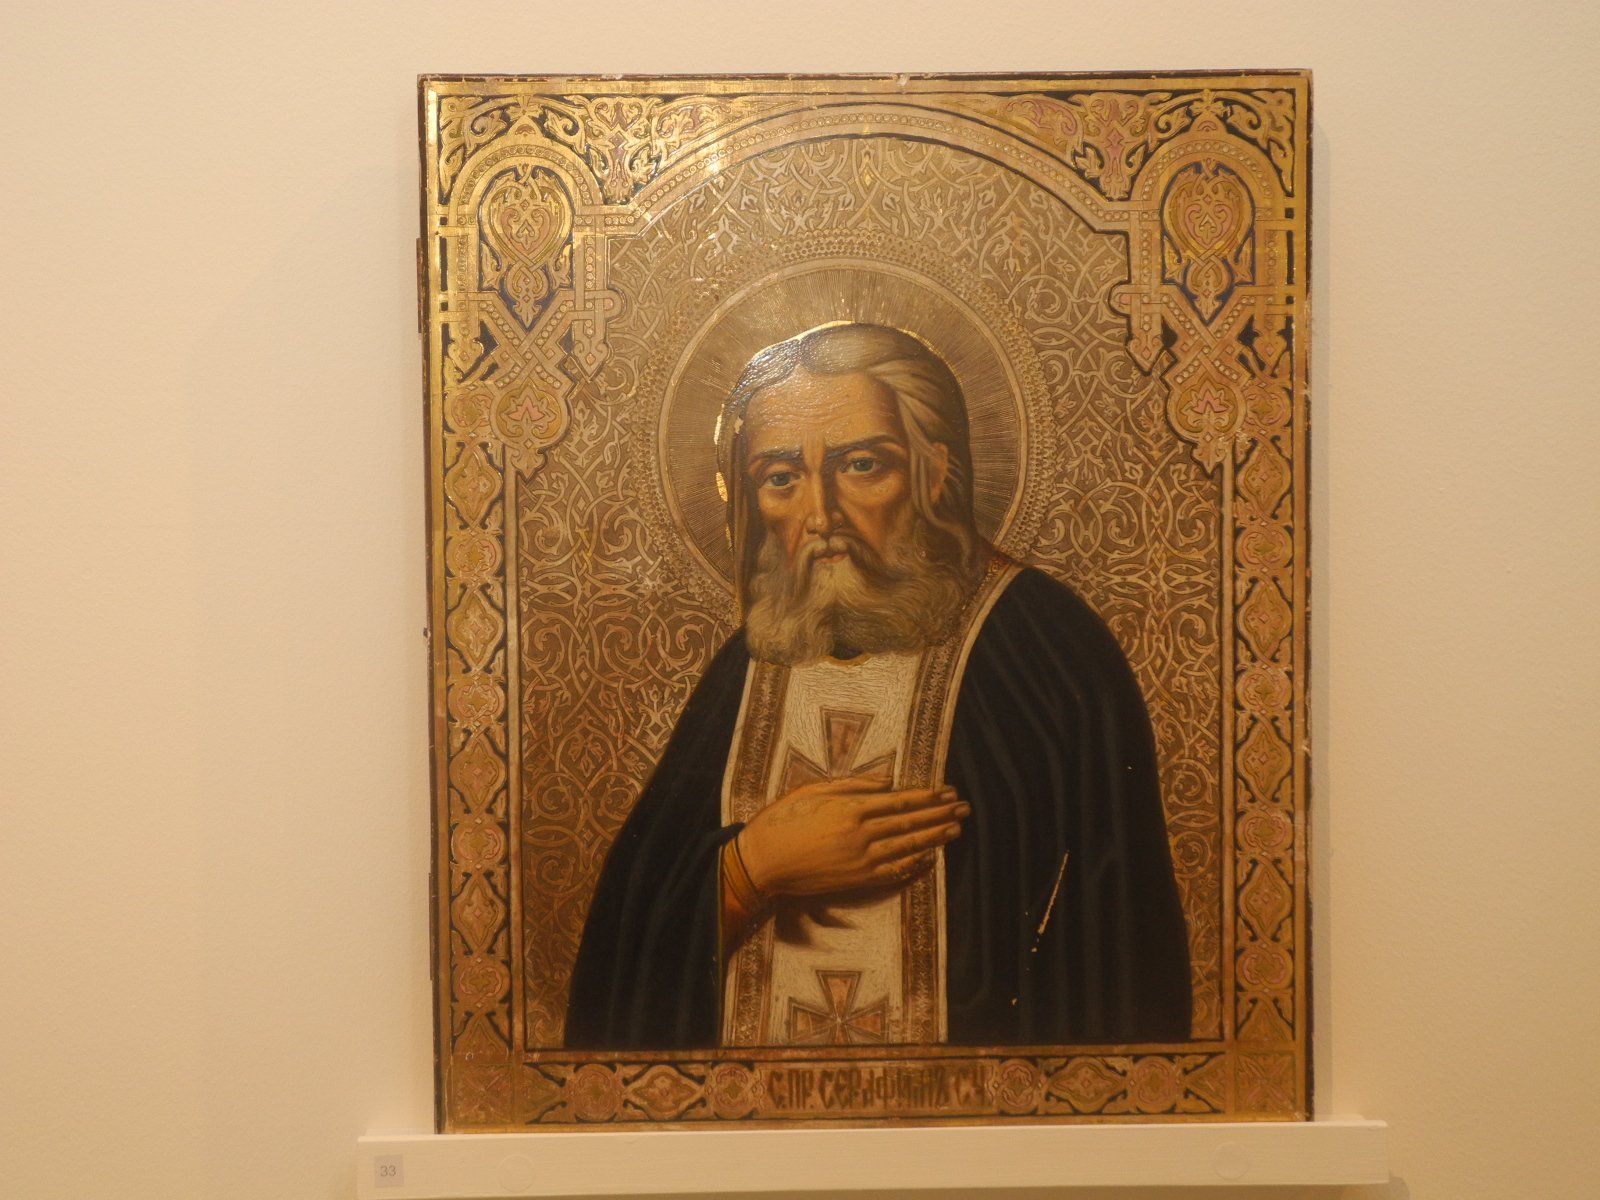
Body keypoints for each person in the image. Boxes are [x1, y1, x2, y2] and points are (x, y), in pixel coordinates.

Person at [565, 322, 1190, 1049]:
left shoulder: (1046, 651)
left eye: (862, 465)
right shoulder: (754, 658)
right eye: (781, 477)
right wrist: (753, 867)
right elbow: (625, 956)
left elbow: (1115, 945)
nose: (821, 515)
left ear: (934, 470)